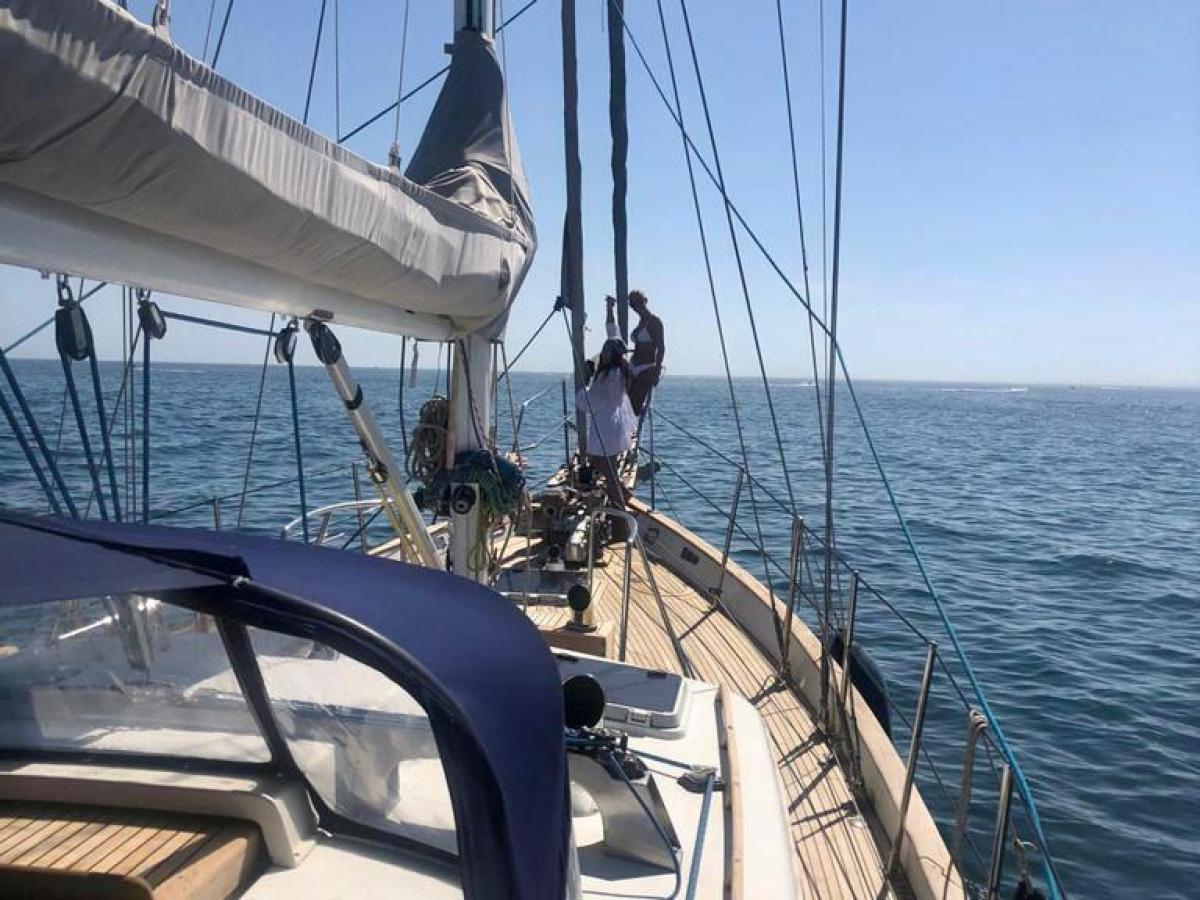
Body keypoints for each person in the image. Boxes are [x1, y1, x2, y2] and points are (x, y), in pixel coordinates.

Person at [577, 316, 637, 512]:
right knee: (606, 465)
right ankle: (622, 493)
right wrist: (609, 310)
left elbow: (590, 402)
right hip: (615, 423)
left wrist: (585, 382)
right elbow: (615, 334)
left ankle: (619, 506)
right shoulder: (621, 370)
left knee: (605, 468)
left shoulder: (606, 377)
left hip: (605, 427)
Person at [625, 290, 664, 416]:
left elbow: (661, 347)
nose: (635, 308)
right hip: (633, 365)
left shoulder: (654, 322)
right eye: (632, 305)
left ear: (644, 302)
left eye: (637, 303)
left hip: (646, 367)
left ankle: (630, 431)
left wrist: (657, 371)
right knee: (624, 402)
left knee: (634, 406)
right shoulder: (640, 322)